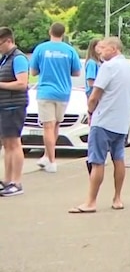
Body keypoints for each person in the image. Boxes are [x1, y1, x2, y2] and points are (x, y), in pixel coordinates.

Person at [69, 37, 130, 213]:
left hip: (104, 120)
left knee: (97, 161)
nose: (100, 51)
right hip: (122, 121)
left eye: (103, 48)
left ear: (114, 48)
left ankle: (91, 201)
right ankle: (117, 197)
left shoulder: (108, 67)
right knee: (118, 158)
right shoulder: (129, 68)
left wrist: (90, 111)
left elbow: (95, 94)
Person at [29, 22, 82, 173]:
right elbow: (77, 72)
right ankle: (47, 155)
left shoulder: (41, 49)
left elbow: (32, 72)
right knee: (56, 125)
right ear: (64, 33)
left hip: (45, 91)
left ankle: (52, 161)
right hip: (63, 92)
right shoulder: (70, 51)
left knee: (47, 126)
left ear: (50, 32)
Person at [0, 27, 29, 197]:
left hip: (14, 106)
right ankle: (8, 179)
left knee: (14, 143)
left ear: (8, 41)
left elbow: (22, 83)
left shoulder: (18, 58)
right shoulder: (5, 59)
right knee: (7, 144)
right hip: (4, 106)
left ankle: (16, 181)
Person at [83, 38, 104, 175]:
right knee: (94, 125)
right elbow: (91, 82)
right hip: (94, 96)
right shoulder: (92, 63)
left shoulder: (100, 63)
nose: (101, 49)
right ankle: (92, 155)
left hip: (99, 97)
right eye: (99, 47)